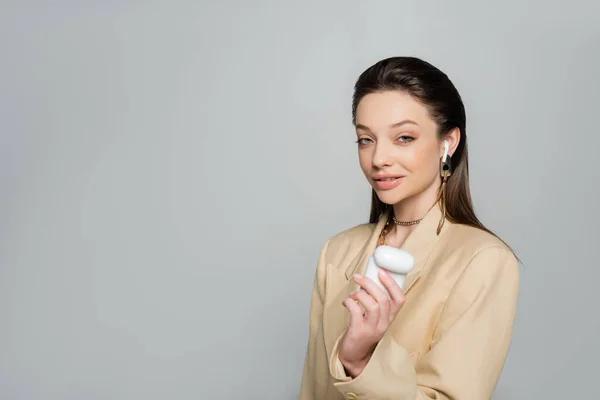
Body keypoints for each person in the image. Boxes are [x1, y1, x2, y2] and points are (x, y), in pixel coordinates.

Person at [298, 56, 520, 400]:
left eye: (403, 137)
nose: (378, 159)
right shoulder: (337, 251)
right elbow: (312, 391)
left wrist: (359, 360)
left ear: (448, 142)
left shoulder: (482, 260)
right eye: (365, 139)